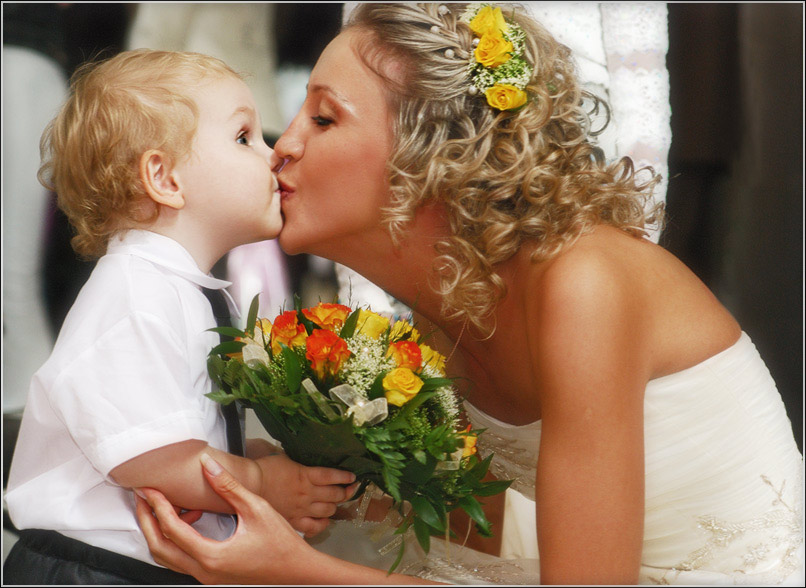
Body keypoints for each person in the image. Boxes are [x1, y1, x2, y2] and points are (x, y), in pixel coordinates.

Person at [136, 3, 804, 585]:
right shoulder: (451, 302)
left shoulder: (584, 285)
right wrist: (290, 492)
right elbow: (468, 542)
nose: (283, 147)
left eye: (324, 118)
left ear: (428, 160)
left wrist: (292, 571)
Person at [3, 48, 357, 584]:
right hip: (92, 571)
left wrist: (249, 452)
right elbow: (153, 459)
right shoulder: (135, 295)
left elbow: (172, 427)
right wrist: (262, 483)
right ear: (164, 178)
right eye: (244, 137)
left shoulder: (177, 288)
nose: (273, 154)